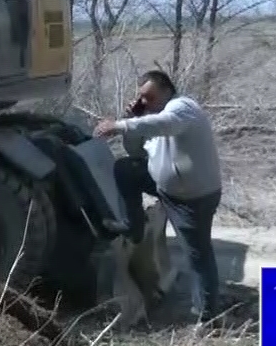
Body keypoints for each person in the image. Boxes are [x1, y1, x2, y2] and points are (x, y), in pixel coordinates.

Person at [93, 69, 224, 321]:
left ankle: (207, 317)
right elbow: (136, 152)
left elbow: (167, 124)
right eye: (141, 97)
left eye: (149, 97)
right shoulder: (154, 117)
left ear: (166, 90)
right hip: (169, 188)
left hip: (191, 198)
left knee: (198, 255)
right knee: (126, 169)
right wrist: (133, 120)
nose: (144, 102)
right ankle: (134, 226)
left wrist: (120, 125)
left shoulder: (182, 108)